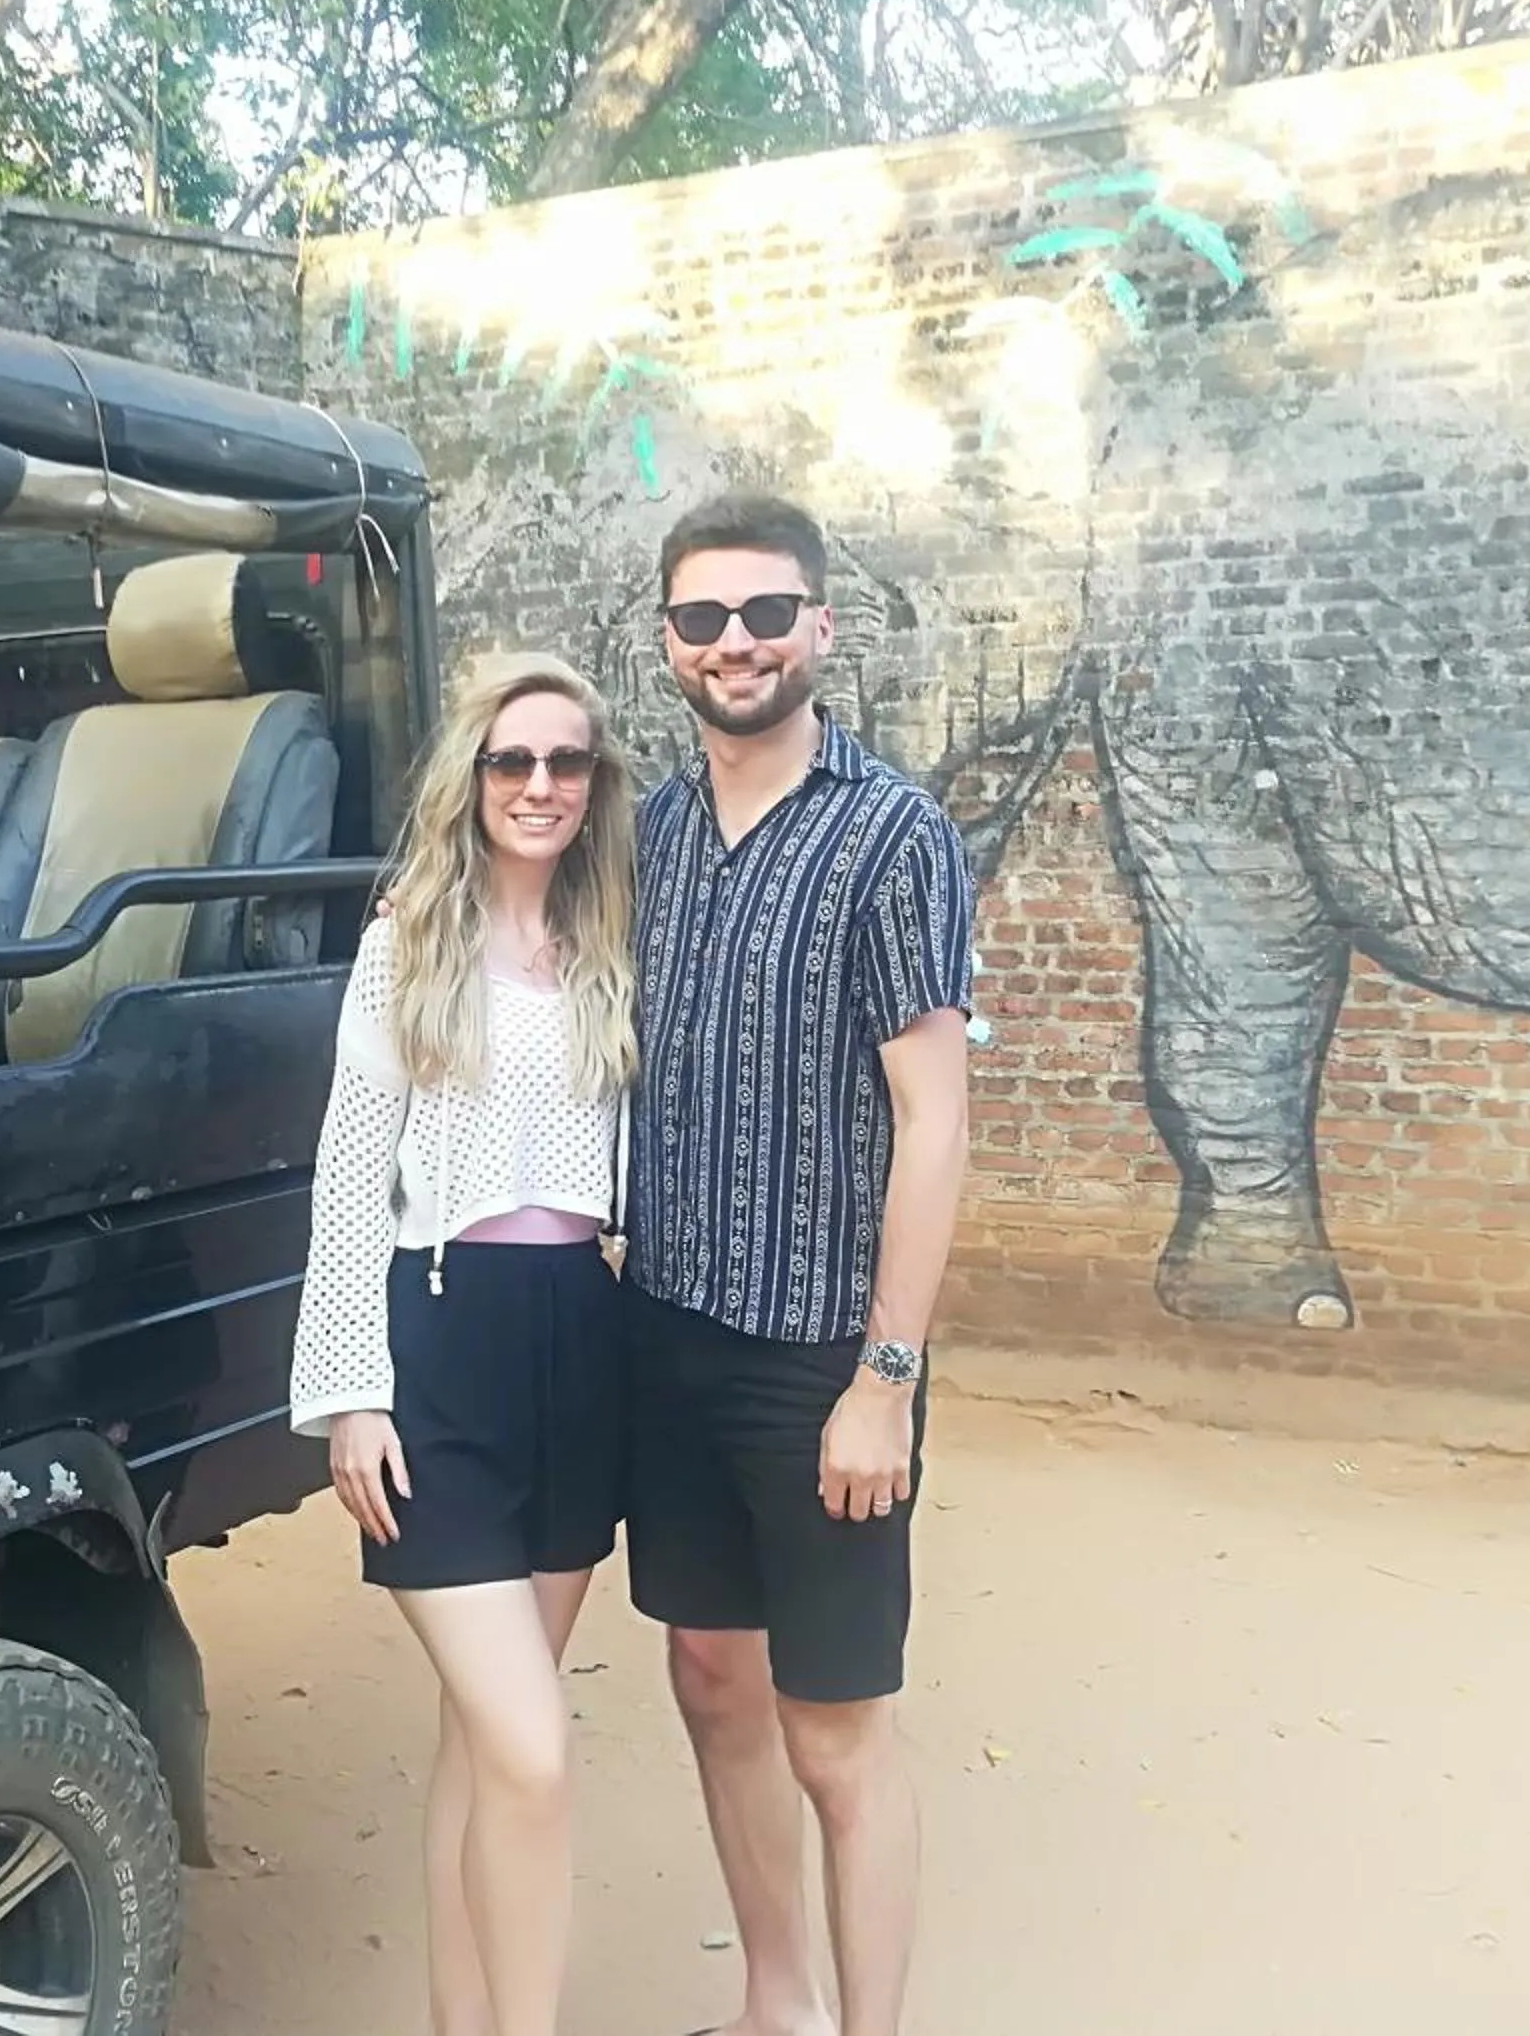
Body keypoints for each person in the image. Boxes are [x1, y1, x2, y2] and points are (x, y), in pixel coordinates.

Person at [622, 492, 976, 2036]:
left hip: (823, 1355)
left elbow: (934, 1118)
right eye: (703, 618)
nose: (737, 643)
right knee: (711, 1672)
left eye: (767, 613)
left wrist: (885, 1378)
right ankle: (780, 2004)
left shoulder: (893, 834)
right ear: (668, 643)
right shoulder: (650, 834)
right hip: (669, 1331)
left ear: (819, 627)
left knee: (835, 1731)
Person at [288, 652, 642, 2036]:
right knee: (534, 1751)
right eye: (513, 761)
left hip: (580, 1343)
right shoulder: (407, 945)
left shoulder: (614, 944)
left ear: (594, 783)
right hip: (439, 1342)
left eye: (567, 761)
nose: (541, 784)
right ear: (474, 779)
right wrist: (350, 1395)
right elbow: (346, 1177)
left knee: (485, 1740)